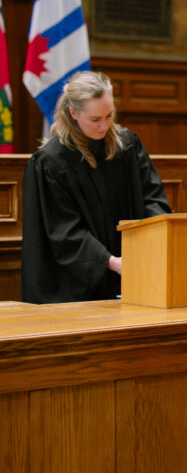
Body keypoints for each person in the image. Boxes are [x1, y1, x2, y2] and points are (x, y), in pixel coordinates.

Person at [21, 71, 171, 303]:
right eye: (95, 119)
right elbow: (64, 231)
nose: (104, 126)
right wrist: (110, 262)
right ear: (73, 113)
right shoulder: (51, 162)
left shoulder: (128, 146)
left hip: (133, 274)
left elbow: (153, 199)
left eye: (109, 116)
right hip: (76, 287)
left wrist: (152, 239)